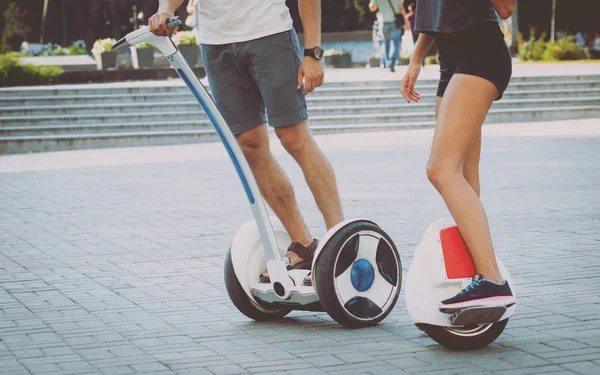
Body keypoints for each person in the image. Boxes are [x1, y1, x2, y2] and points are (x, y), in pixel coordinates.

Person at [149, 0, 344, 285]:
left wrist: (313, 51)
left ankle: (339, 242)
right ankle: (302, 244)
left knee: (294, 138)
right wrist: (166, 8)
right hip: (216, 44)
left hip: (270, 33)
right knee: (250, 145)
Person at [400, 0, 517, 312]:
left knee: (440, 169)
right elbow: (437, 14)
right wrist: (415, 60)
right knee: (464, 177)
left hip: (480, 53)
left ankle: (493, 280)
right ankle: (479, 276)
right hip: (449, 62)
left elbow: (506, 9)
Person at [369, 0, 408, 72]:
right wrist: (405, 22)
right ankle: (392, 61)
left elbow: (372, 8)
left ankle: (388, 61)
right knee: (396, 42)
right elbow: (401, 8)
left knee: (386, 43)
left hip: (384, 23)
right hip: (395, 22)